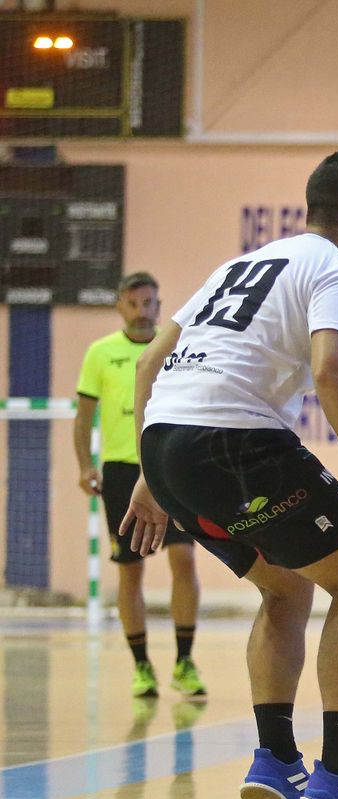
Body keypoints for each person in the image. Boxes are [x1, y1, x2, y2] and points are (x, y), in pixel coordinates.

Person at [120, 150, 338, 799]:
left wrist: (150, 474)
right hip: (236, 442)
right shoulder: (337, 272)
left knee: (284, 584)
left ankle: (276, 760)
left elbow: (150, 362)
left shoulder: (241, 265)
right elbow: (331, 373)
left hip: (168, 445)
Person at [75, 272, 207, 700]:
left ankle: (184, 661)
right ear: (120, 305)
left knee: (184, 560)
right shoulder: (100, 353)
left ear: (157, 304)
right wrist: (84, 465)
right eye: (133, 303)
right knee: (130, 570)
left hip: (168, 466)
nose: (141, 311)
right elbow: (83, 416)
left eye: (149, 303)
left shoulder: (174, 345)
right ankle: (142, 667)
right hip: (120, 472)